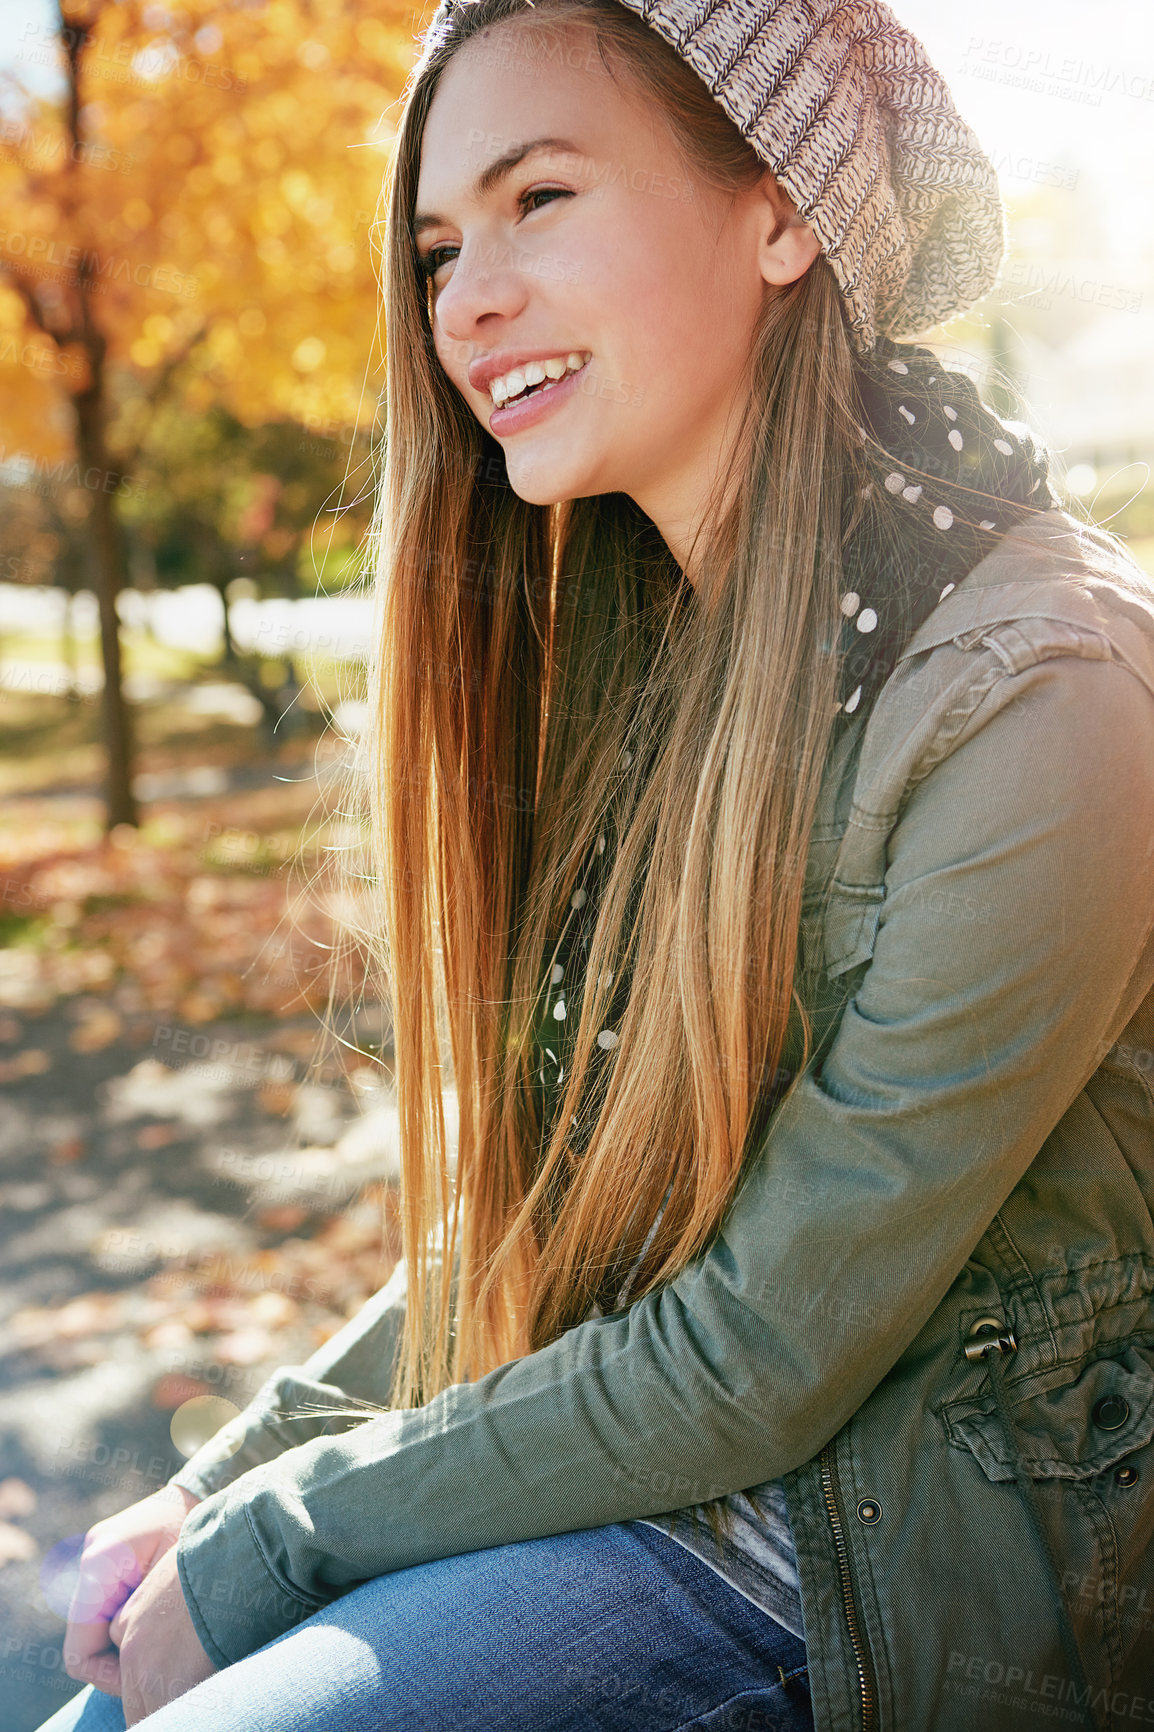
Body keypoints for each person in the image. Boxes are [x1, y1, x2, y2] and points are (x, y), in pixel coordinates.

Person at [37, 0, 1154, 1727]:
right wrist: (232, 1476)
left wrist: (282, 1537)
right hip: (655, 1467)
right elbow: (558, 1213)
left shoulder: (1047, 702)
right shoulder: (659, 672)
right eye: (435, 244)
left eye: (538, 197)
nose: (463, 303)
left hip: (880, 1566)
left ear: (780, 209)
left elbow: (762, 1356)